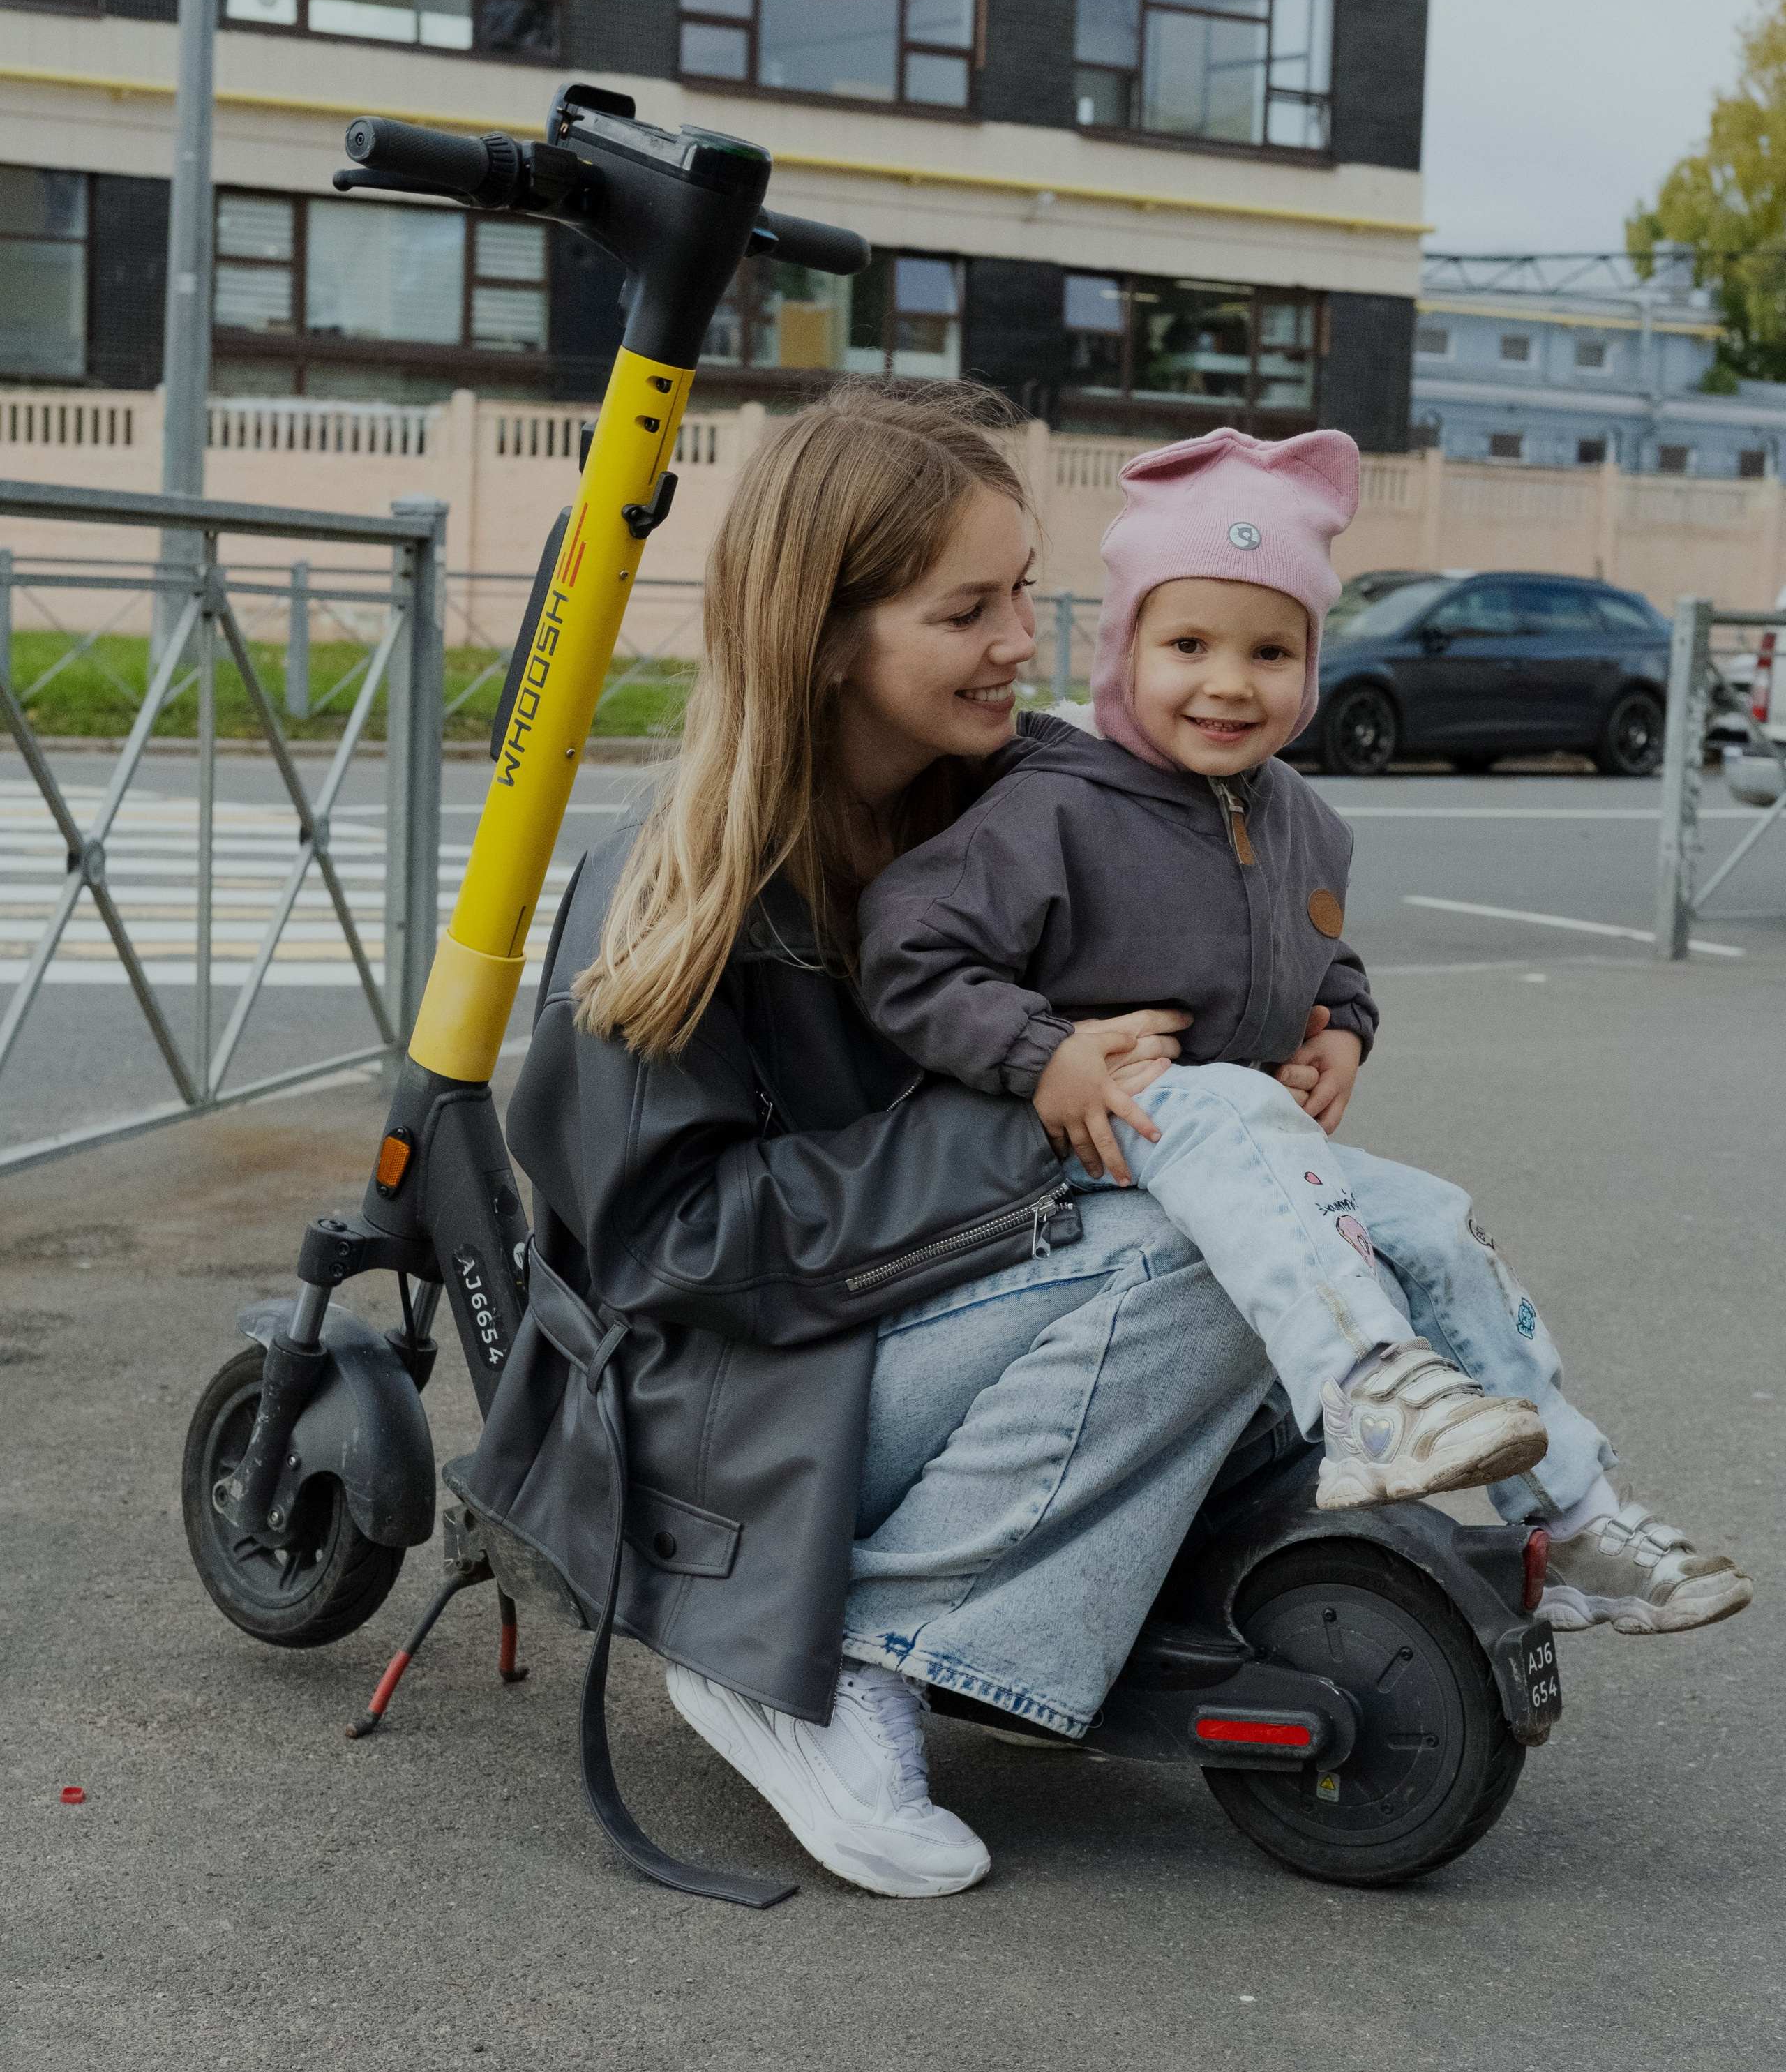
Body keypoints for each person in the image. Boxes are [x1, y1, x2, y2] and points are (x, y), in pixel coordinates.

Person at [466, 381, 1743, 1908]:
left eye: (1022, 588)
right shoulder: (674, 880)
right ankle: (823, 1657)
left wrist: (1307, 1040)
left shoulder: (1020, 802)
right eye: (968, 609)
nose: (1023, 637)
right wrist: (1042, 1132)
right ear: (823, 635)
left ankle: (1554, 1505)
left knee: (1326, 1222)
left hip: (912, 1335)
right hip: (734, 1417)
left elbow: (1227, 968)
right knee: (1204, 1250)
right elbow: (661, 1251)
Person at [858, 424, 1561, 1520]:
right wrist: (1043, 1057)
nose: (1229, 685)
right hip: (1080, 1166)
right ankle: (1370, 1392)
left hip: (1243, 1156)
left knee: (1431, 1218)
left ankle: (1573, 1508)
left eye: (1270, 654)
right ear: (1124, 651)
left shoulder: (1300, 819)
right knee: (1239, 1110)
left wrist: (1346, 1028)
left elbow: (1325, 946)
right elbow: (909, 953)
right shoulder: (1054, 807)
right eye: (1188, 645)